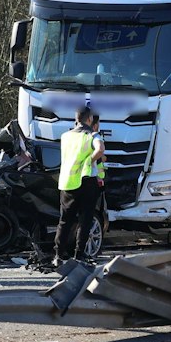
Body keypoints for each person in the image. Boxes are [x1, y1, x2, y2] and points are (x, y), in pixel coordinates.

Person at [55, 105, 106, 263]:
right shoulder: (92, 135)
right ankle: (79, 255)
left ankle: (58, 255)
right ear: (90, 119)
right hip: (87, 182)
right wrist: (89, 161)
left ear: (76, 119)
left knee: (64, 221)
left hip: (68, 182)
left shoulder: (65, 136)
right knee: (85, 220)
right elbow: (100, 149)